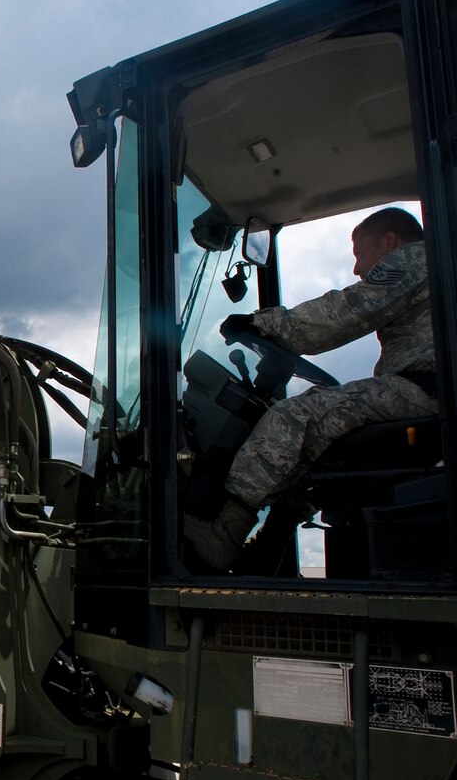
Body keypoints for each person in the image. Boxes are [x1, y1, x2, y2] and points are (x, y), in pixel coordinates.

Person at [185, 206, 437, 571]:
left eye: (359, 254)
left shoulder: (414, 258)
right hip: (423, 391)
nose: (357, 268)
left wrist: (264, 323)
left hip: (424, 392)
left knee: (292, 415)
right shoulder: (429, 266)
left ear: (388, 241)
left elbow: (348, 311)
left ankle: (223, 532)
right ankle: (269, 547)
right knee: (312, 441)